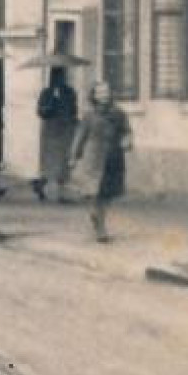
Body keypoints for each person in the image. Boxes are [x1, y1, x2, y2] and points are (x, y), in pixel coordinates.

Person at [69, 80, 132, 243]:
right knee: (95, 191)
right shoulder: (89, 115)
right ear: (94, 96)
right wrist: (74, 156)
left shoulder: (119, 113)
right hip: (94, 156)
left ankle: (99, 217)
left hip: (113, 156)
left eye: (106, 92)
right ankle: (99, 225)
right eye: (100, 92)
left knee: (108, 192)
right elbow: (80, 136)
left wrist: (127, 140)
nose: (103, 95)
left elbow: (127, 130)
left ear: (110, 94)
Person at [34, 67, 79, 203]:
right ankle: (41, 185)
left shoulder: (70, 92)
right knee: (49, 161)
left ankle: (62, 192)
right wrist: (52, 101)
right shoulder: (46, 93)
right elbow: (41, 112)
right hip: (50, 131)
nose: (58, 80)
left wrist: (72, 121)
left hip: (65, 130)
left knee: (63, 160)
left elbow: (74, 110)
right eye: (55, 77)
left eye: (61, 77)